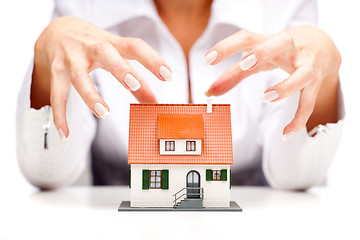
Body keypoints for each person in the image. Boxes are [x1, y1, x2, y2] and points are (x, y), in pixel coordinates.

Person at [16, 0, 344, 190]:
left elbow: (297, 177)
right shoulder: (82, 7)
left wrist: (325, 80)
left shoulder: (284, 6)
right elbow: (49, 174)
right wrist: (45, 69)